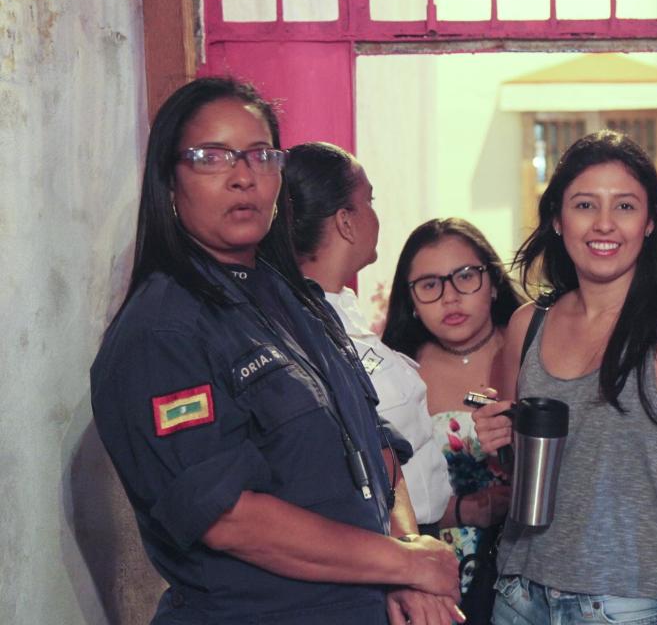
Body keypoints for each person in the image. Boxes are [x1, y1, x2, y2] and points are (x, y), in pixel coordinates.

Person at [89, 77, 462, 625]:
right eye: (211, 157)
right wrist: (403, 564)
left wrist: (407, 556)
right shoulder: (162, 334)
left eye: (261, 155)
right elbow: (229, 518)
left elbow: (378, 447)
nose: (243, 176)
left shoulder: (294, 300)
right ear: (170, 181)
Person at [472, 130, 657, 625]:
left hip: (626, 604)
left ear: (651, 222)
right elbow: (518, 465)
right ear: (556, 217)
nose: (604, 224)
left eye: (626, 206)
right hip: (520, 593)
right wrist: (497, 437)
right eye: (585, 204)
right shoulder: (529, 326)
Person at [285, 141, 453, 538]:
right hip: (383, 543)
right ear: (346, 222)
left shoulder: (343, 307)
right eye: (369, 201)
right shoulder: (303, 326)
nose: (376, 216)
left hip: (422, 534)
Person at [382, 218, 523, 621]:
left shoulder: (534, 350)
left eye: (465, 277)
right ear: (409, 299)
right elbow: (379, 489)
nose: (450, 297)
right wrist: (464, 511)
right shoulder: (397, 373)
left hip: (529, 571)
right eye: (429, 285)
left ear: (493, 282)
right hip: (433, 576)